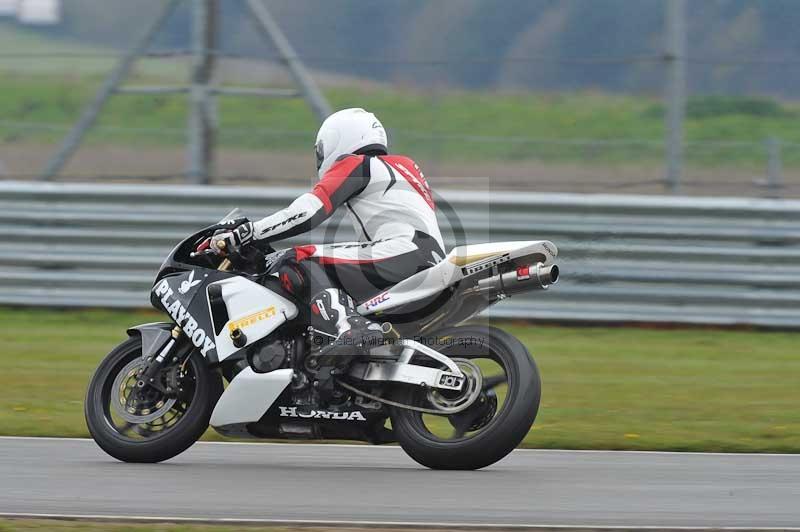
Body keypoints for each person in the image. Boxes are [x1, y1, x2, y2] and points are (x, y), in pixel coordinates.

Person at [211, 108, 445, 359]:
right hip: (428, 256)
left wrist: (251, 232)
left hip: (403, 252)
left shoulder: (357, 164)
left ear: (339, 138)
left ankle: (352, 328)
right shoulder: (406, 166)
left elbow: (309, 211)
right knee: (335, 272)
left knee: (299, 259)